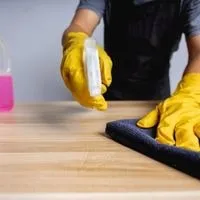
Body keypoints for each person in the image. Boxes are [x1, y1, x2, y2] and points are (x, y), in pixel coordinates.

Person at [60, 0, 200, 152]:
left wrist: (191, 92)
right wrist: (76, 41)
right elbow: (79, 25)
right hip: (106, 103)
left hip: (155, 105)